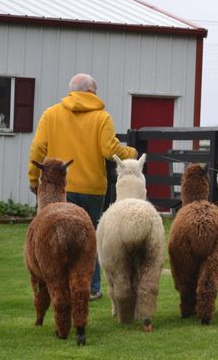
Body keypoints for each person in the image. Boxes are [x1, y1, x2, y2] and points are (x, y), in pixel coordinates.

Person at [28, 73, 138, 301]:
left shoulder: (51, 115)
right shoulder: (102, 118)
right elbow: (109, 150)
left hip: (59, 189)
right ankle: (92, 287)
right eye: (95, 90)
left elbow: (38, 148)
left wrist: (33, 178)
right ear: (90, 91)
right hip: (92, 188)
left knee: (54, 238)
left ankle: (56, 285)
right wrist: (131, 153)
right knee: (88, 239)